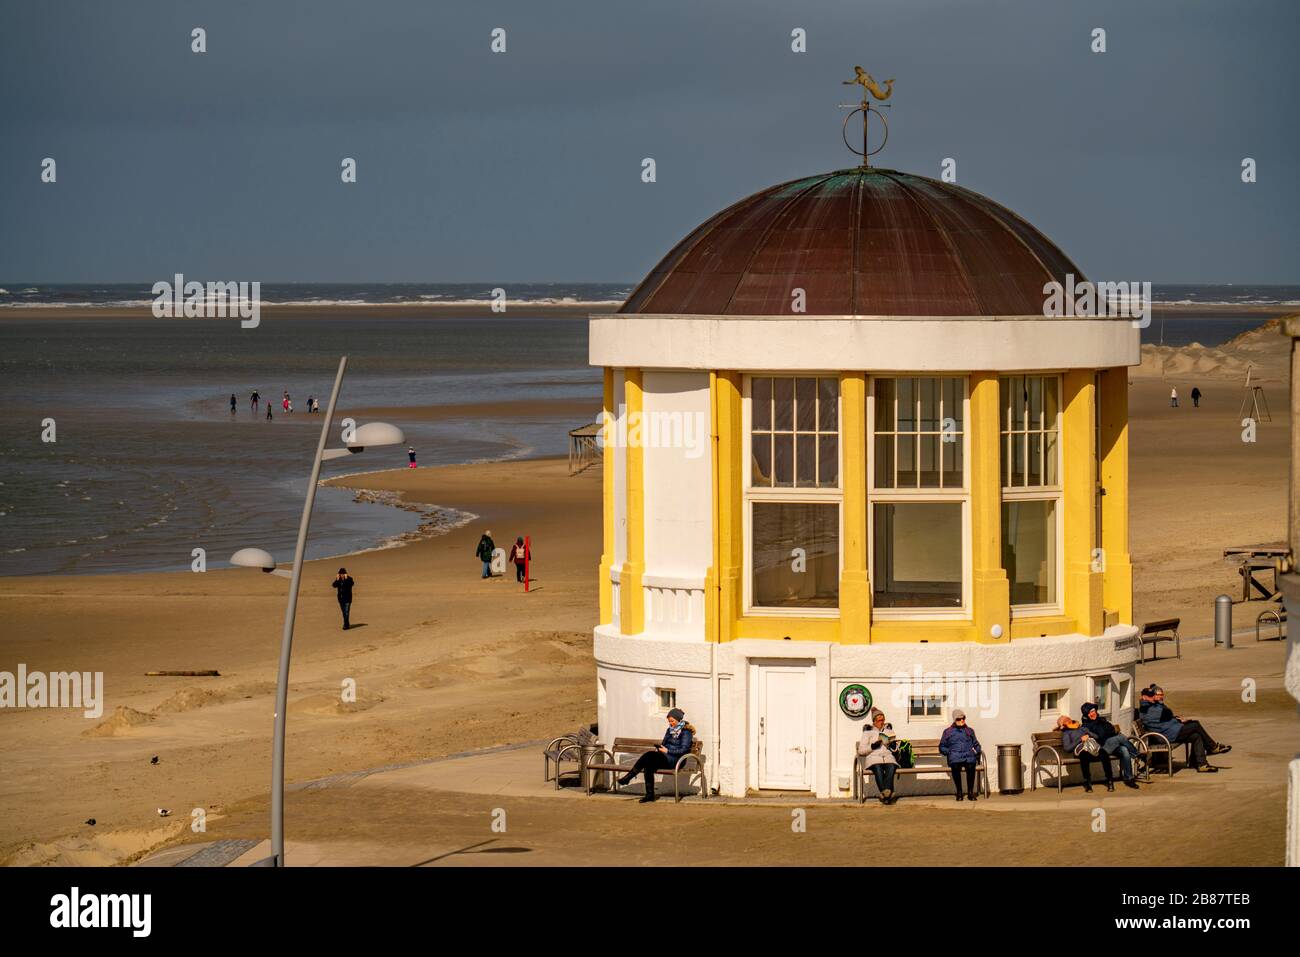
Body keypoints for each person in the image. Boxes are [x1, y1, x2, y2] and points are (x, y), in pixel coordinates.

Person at [1139, 684, 1230, 772]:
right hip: (1166, 736)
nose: (1152, 697)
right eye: (1150, 696)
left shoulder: (1151, 705)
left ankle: (1201, 764)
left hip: (1169, 731)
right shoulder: (1147, 709)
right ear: (1144, 697)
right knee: (1195, 725)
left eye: (1153, 695)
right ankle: (1212, 747)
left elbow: (1166, 718)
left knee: (1196, 735)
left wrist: (1177, 719)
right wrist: (1176, 719)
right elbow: (1168, 713)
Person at [617, 708, 694, 803]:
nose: (670, 723)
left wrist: (667, 750)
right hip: (665, 757)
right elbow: (664, 744)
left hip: (677, 760)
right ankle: (649, 795)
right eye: (669, 721)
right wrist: (661, 748)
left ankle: (628, 778)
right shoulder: (669, 730)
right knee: (648, 764)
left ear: (679, 720)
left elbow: (684, 750)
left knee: (648, 755)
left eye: (672, 721)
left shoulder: (686, 732)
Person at [1081, 702, 1141, 789]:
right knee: (1120, 737)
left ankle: (1129, 778)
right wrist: (1106, 731)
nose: (1092, 714)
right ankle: (1137, 754)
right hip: (1102, 749)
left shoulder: (1101, 720)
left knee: (1124, 750)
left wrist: (1106, 731)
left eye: (1093, 711)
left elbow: (1112, 729)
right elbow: (1100, 736)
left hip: (1111, 744)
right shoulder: (1086, 725)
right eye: (1090, 713)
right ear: (1086, 714)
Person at [1058, 713, 1114, 792]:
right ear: (1063, 725)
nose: (1069, 720)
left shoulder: (1082, 728)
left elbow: (1097, 737)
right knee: (1084, 756)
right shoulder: (1067, 733)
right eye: (1066, 721)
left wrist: (1088, 733)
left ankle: (1110, 781)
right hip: (1081, 750)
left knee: (1104, 753)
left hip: (1092, 747)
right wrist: (1080, 739)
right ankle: (1087, 782)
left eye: (1069, 719)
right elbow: (1067, 748)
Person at [856, 709, 898, 804]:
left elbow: (895, 750)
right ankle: (888, 793)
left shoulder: (889, 731)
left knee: (891, 766)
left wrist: (893, 745)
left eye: (883, 720)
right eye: (879, 720)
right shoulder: (867, 733)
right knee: (877, 768)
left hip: (888, 757)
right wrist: (872, 746)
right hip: (874, 759)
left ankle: (884, 795)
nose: (882, 722)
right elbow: (861, 751)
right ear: (874, 722)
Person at [939, 710, 983, 801]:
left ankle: (970, 792)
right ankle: (959, 792)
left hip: (968, 755)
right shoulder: (948, 732)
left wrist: (976, 752)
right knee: (955, 766)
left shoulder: (969, 731)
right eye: (959, 719)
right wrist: (949, 752)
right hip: (955, 756)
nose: (962, 720)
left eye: (963, 718)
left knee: (971, 766)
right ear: (955, 720)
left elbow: (976, 744)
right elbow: (942, 746)